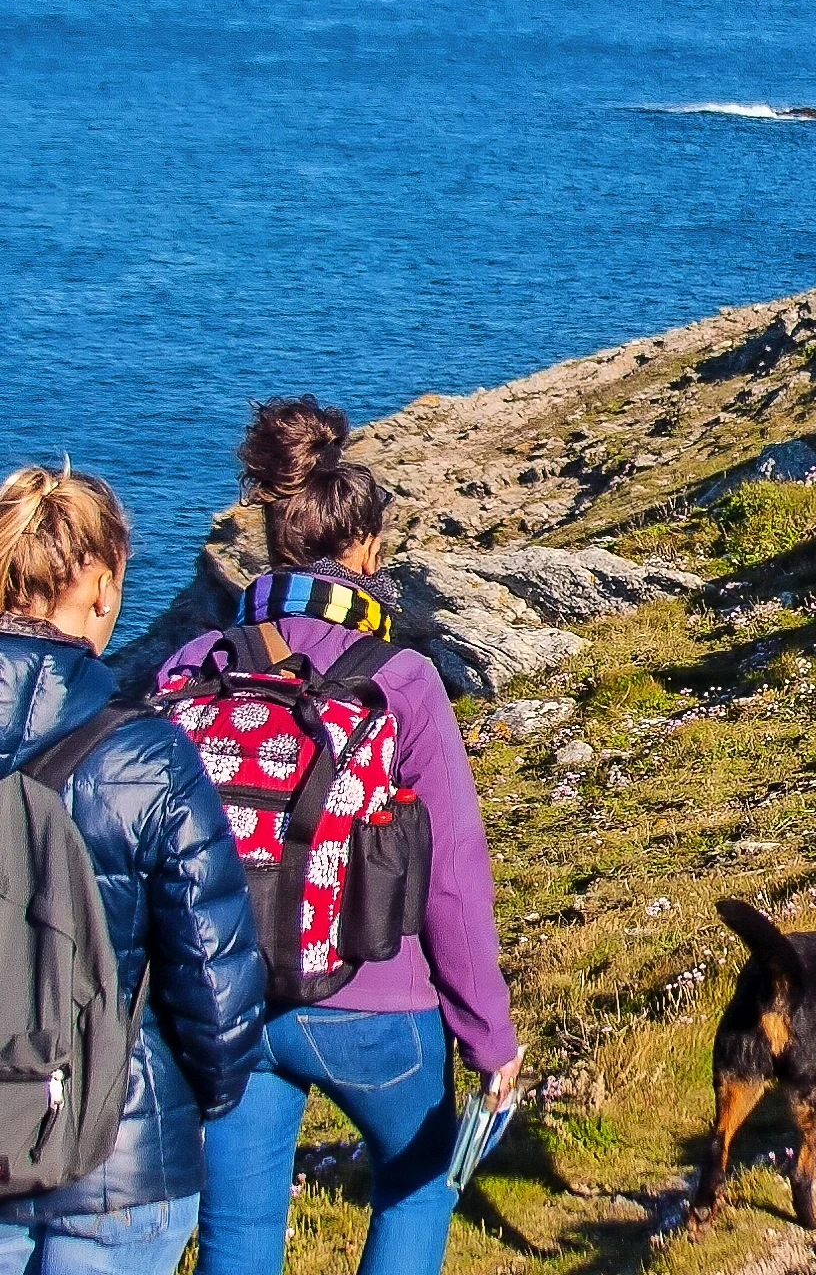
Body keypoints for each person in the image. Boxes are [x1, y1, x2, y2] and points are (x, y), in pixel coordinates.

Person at [163, 397, 520, 1275]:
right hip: (372, 999)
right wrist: (489, 1038)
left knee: (239, 1237)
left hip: (228, 998)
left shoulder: (195, 667)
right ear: (364, 551)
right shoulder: (400, 679)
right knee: (418, 1184)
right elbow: (451, 878)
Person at [0, 463, 266, 1275]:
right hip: (119, 1151)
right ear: (105, 589)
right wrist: (200, 1104)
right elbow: (217, 990)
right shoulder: (149, 756)